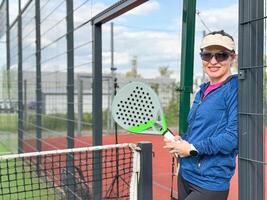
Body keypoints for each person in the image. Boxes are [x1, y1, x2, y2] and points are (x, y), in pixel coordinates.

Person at [164, 30, 238, 200]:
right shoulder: (202, 90)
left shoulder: (235, 89)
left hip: (210, 182)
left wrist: (191, 148)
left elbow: (232, 137)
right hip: (186, 175)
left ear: (232, 57)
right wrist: (182, 141)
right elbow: (197, 130)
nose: (213, 61)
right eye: (207, 55)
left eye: (221, 55)